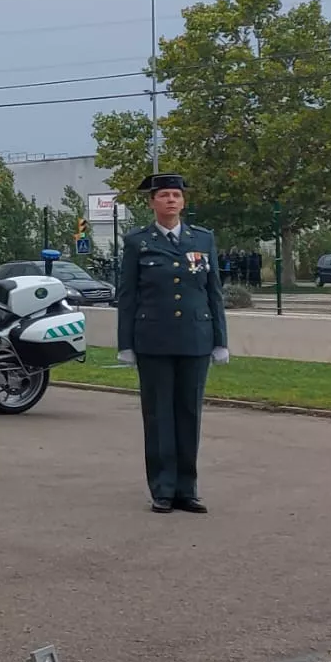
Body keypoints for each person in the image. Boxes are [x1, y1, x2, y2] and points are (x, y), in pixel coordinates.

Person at [116, 173, 228, 514]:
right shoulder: (138, 242)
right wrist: (125, 343)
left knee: (189, 413)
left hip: (195, 338)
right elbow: (128, 295)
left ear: (183, 202)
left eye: (176, 195)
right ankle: (163, 488)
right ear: (152, 202)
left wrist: (220, 340)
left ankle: (186, 489)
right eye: (163, 195)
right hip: (154, 339)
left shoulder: (202, 239)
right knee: (159, 415)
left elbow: (214, 292)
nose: (170, 201)